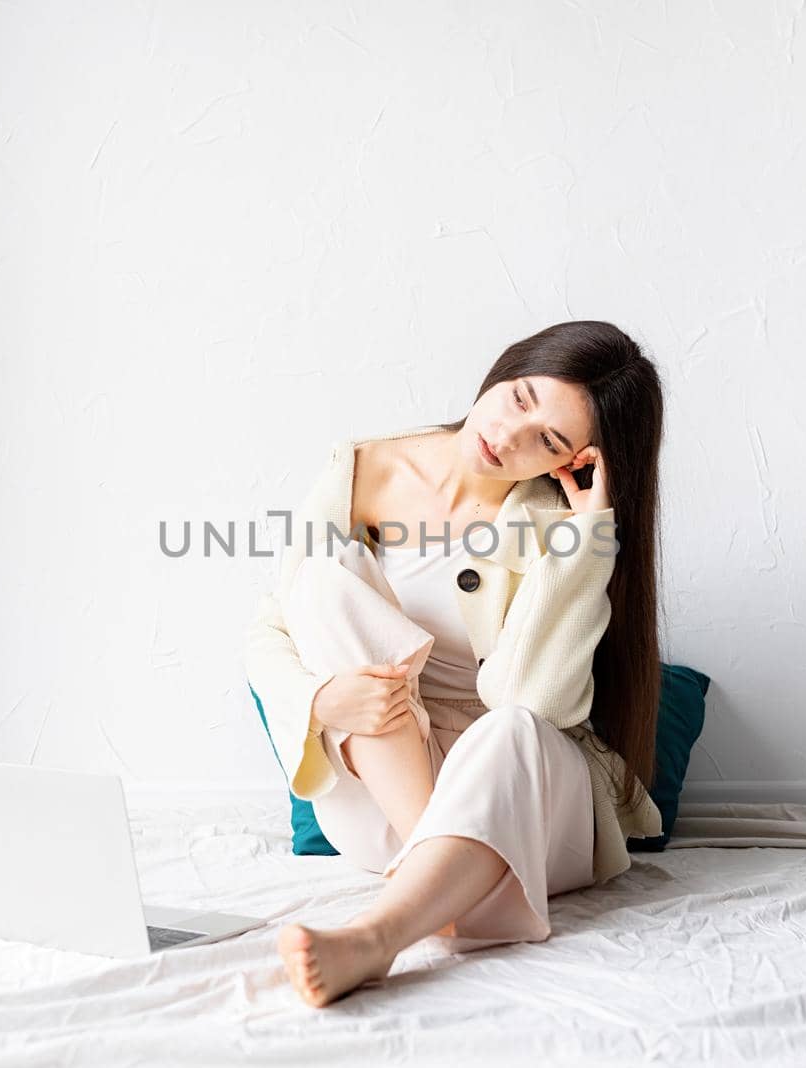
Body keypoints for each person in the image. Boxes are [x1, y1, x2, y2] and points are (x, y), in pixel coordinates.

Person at [243, 320, 667, 1007]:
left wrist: (585, 547)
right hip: (387, 784)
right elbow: (271, 628)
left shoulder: (560, 520)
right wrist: (323, 703)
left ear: (579, 459)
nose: (509, 436)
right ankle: (438, 866)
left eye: (548, 441)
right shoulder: (359, 470)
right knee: (324, 575)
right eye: (522, 398)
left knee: (514, 730)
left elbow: (532, 700)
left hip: (517, 791)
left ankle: (378, 936)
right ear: (508, 368)